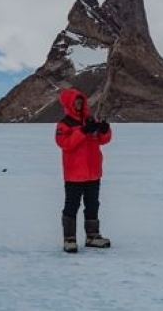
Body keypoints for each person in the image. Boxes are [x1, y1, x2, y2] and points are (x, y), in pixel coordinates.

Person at [55, 88, 113, 253]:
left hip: (93, 173)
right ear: (69, 103)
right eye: (76, 101)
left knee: (93, 205)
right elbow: (65, 144)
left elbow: (102, 140)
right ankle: (69, 239)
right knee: (72, 205)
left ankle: (92, 237)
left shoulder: (89, 119)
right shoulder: (64, 124)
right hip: (74, 175)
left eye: (81, 101)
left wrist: (104, 130)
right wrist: (82, 131)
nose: (79, 104)